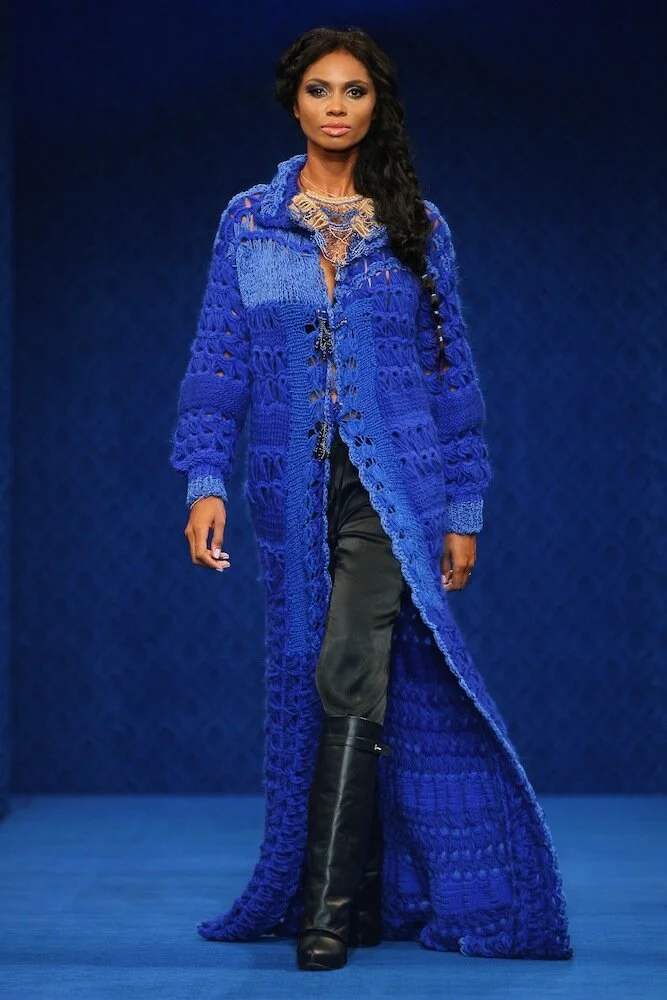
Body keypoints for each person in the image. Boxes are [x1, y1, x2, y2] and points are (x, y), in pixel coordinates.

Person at [170, 25, 572, 972]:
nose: (337, 107)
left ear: (376, 105)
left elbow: (450, 377)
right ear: (294, 102)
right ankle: (363, 891)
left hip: (397, 487)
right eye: (320, 89)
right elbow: (217, 365)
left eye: (355, 91)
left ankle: (326, 913)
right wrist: (204, 480)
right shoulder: (249, 222)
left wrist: (464, 510)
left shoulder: (416, 225)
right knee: (317, 669)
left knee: (351, 661)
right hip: (290, 488)